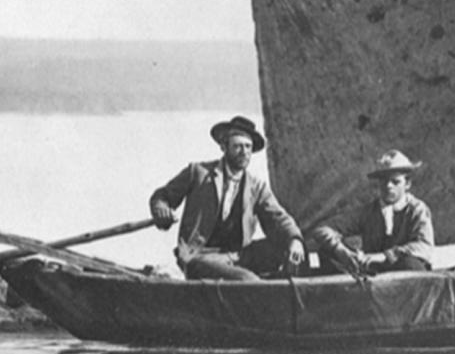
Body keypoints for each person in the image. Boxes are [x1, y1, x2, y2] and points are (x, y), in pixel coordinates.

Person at [150, 115, 306, 281]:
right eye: (238, 146)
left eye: (248, 147)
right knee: (247, 280)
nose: (244, 152)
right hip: (200, 257)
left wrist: (294, 240)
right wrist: (161, 210)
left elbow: (279, 218)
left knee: (293, 251)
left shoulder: (256, 187)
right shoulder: (198, 173)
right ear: (224, 147)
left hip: (239, 255)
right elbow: (162, 196)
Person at [310, 150, 435, 277]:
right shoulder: (369, 211)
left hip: (403, 272)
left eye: (395, 182)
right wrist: (341, 251)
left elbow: (424, 246)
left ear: (407, 184)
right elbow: (321, 229)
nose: (388, 186)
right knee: (327, 252)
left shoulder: (417, 209)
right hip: (374, 272)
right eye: (383, 181)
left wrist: (385, 256)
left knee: (411, 264)